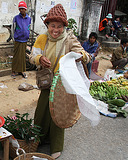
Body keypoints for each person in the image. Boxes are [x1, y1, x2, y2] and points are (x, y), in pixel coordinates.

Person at [30, 4, 91, 159]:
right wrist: (39, 59)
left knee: (58, 114)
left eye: (59, 26)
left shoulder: (69, 40)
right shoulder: (42, 39)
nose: (55, 30)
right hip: (46, 81)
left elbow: (86, 56)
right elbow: (32, 57)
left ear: (64, 27)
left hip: (62, 84)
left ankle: (56, 145)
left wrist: (80, 56)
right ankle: (39, 138)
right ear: (47, 25)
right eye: (52, 26)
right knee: (41, 112)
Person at [11, 1, 31, 79]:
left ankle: (22, 71)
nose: (21, 10)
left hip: (24, 39)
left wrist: (28, 35)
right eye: (20, 9)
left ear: (25, 9)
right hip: (18, 39)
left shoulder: (28, 18)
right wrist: (14, 38)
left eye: (23, 9)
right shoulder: (16, 18)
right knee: (16, 56)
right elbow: (13, 28)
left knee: (23, 56)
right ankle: (13, 70)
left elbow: (28, 28)